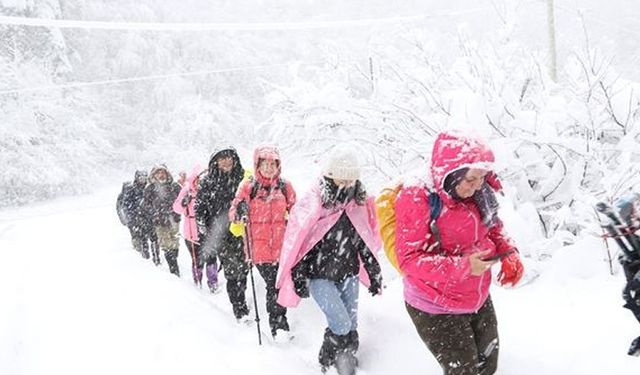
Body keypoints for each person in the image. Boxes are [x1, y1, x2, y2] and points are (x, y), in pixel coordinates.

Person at [395, 131, 524, 375]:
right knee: (463, 371)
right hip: (433, 302)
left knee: (488, 364)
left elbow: (493, 225)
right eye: (471, 179)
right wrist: (463, 267)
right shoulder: (417, 197)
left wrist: (509, 252)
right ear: (451, 174)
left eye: (482, 178)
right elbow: (410, 260)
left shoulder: (479, 191)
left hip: (476, 294)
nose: (478, 186)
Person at [276, 146, 382, 372]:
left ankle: (347, 362)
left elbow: (362, 240)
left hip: (349, 273)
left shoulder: (358, 205)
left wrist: (374, 272)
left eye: (350, 180)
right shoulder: (315, 203)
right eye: (340, 180)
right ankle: (326, 360)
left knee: (351, 324)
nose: (346, 185)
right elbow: (302, 243)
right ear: (329, 177)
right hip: (320, 276)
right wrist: (299, 275)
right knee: (341, 323)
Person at [229, 145, 296, 339]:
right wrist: (240, 210)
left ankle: (278, 324)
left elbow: (297, 211)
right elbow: (233, 212)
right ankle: (279, 327)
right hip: (258, 248)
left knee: (278, 285)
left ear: (278, 165)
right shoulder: (248, 187)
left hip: (281, 248)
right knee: (273, 285)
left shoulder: (285, 186)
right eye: (264, 164)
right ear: (257, 165)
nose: (268, 168)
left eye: (272, 164)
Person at [195, 148, 250, 322]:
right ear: (215, 162)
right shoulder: (208, 182)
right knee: (233, 271)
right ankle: (239, 309)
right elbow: (200, 207)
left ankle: (241, 301)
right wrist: (203, 226)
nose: (226, 161)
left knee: (243, 270)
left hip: (243, 232)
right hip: (222, 234)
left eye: (229, 158)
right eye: (222, 158)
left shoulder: (244, 178)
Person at [173, 166, 219, 291]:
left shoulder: (211, 190)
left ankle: (213, 283)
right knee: (197, 259)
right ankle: (197, 281)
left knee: (211, 257)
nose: (202, 181)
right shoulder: (187, 191)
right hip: (192, 231)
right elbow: (176, 208)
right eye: (200, 178)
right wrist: (184, 202)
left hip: (208, 230)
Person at [143, 165, 182, 275]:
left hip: (174, 220)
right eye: (158, 173)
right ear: (154, 175)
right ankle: (174, 270)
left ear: (167, 174)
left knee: (175, 244)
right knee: (166, 245)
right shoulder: (150, 188)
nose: (161, 175)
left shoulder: (174, 186)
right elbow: (146, 205)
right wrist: (155, 213)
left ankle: (174, 259)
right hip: (160, 222)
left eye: (163, 172)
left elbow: (182, 198)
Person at [116, 170, 158, 260]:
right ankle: (145, 256)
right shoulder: (131, 189)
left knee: (154, 238)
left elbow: (155, 202)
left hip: (149, 218)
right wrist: (133, 218)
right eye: (141, 178)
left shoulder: (150, 188)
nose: (143, 180)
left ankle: (156, 258)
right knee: (142, 239)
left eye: (144, 178)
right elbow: (126, 206)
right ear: (137, 178)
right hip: (137, 220)